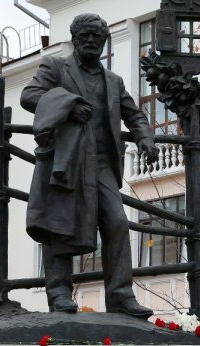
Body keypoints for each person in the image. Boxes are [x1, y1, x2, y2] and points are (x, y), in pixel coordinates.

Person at [20, 13, 159, 318]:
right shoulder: (56, 67)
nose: (91, 41)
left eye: (97, 36)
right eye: (85, 35)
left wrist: (145, 138)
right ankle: (59, 293)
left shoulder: (113, 81)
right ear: (74, 38)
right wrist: (68, 105)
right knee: (59, 224)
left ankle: (121, 296)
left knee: (117, 223)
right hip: (66, 159)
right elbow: (29, 96)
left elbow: (133, 114)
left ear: (105, 41)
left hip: (103, 163)